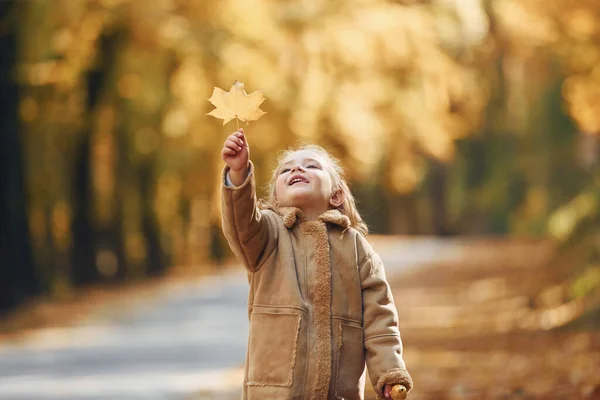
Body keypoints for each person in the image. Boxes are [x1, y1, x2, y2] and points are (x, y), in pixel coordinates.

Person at [220, 128, 413, 400]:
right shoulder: (268, 235)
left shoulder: (357, 248)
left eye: (311, 166)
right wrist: (239, 174)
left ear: (336, 195)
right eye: (286, 171)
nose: (297, 169)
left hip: (338, 391)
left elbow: (380, 320)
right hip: (275, 391)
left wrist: (389, 373)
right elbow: (241, 224)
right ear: (275, 197)